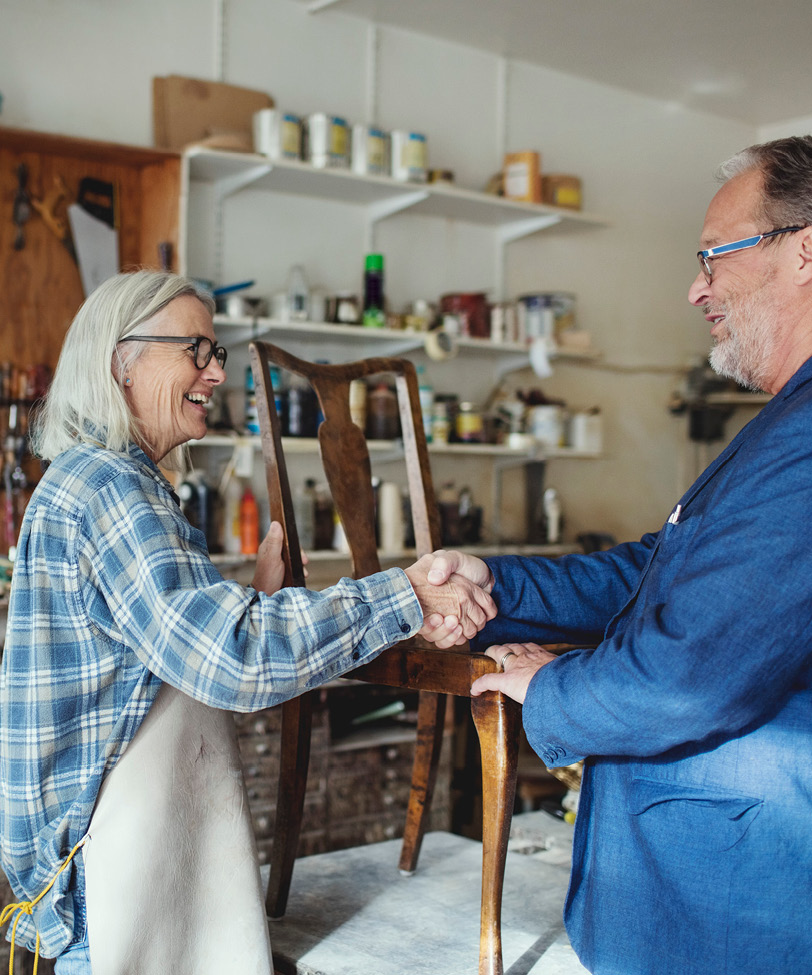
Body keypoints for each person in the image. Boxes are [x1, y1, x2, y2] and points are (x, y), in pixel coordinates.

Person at [428, 136, 812, 974]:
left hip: (758, 916)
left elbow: (693, 675)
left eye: (714, 256)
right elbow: (658, 568)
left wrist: (550, 685)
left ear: (808, 251)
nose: (697, 287)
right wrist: (495, 582)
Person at [0, 270, 496, 974]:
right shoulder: (109, 486)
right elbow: (231, 657)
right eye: (194, 349)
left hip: (114, 878)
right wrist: (408, 594)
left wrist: (256, 599)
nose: (215, 371)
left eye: (217, 352)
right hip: (103, 888)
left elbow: (166, 650)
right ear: (122, 361)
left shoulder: (110, 482)